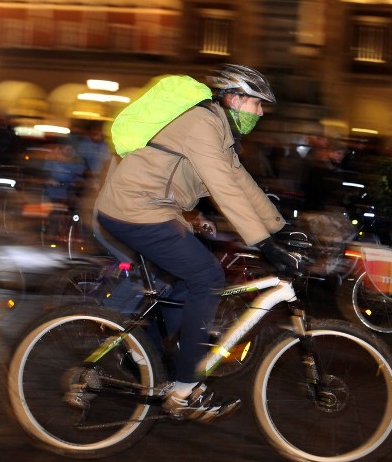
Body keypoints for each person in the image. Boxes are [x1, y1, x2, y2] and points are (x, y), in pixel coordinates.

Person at [95, 64, 297, 422]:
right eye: (257, 104)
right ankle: (185, 387)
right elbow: (223, 187)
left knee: (186, 287)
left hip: (154, 210)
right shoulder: (202, 124)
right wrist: (264, 244)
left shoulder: (219, 129)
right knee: (207, 277)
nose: (261, 112)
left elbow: (241, 180)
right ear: (235, 98)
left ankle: (150, 357)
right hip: (134, 209)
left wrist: (278, 229)